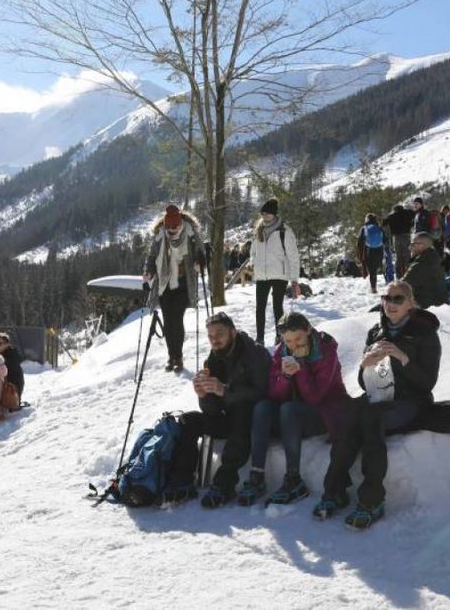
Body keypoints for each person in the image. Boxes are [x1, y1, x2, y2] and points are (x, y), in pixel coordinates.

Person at [313, 280, 441, 530]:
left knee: (372, 419)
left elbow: (427, 383)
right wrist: (365, 366)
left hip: (411, 401)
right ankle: (334, 491)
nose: (390, 304)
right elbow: (364, 384)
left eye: (398, 299)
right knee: (348, 415)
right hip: (379, 396)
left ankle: (372, 500)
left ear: (410, 304)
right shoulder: (376, 332)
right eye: (386, 298)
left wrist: (403, 359)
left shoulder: (425, 333)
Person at [237, 312, 348, 506]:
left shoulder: (325, 351)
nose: (293, 345)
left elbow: (315, 397)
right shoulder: (282, 352)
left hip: (324, 414)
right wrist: (285, 378)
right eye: (288, 340)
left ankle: (294, 479)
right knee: (263, 407)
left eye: (298, 338)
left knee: (289, 409)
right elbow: (274, 393)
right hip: (291, 417)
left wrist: (302, 368)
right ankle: (257, 475)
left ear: (309, 331)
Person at [162, 312, 270, 507]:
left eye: (219, 334)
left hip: (255, 421)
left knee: (242, 412)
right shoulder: (213, 358)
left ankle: (224, 483)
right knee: (188, 420)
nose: (215, 340)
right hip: (228, 419)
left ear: (233, 332)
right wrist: (203, 395)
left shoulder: (255, 353)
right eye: (210, 336)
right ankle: (182, 480)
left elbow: (262, 393)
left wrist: (225, 391)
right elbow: (211, 410)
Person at [143, 203, 206, 373]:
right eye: (169, 227)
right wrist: (148, 272)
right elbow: (151, 256)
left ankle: (178, 357)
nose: (172, 230)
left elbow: (201, 252)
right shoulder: (159, 235)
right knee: (168, 321)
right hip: (164, 284)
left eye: (175, 227)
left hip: (184, 282)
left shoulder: (191, 233)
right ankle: (171, 356)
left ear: (180, 222)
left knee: (176, 319)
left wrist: (199, 262)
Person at [250, 198, 302, 344]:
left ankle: (280, 337)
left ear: (274, 214)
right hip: (262, 275)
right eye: (263, 213)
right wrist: (254, 262)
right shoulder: (258, 230)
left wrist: (294, 280)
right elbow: (253, 251)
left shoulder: (284, 230)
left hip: (280, 274)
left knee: (277, 306)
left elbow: (293, 256)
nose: (265, 216)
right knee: (260, 307)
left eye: (267, 214)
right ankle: (259, 338)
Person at [401, 232, 447, 309]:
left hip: (426, 306)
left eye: (413, 244)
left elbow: (402, 286)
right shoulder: (434, 257)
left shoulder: (421, 263)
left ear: (421, 246)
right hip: (439, 302)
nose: (410, 247)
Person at [0, 331, 25, 401]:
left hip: (9, 397)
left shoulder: (9, 358)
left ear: (7, 344)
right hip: (10, 395)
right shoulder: (6, 356)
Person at [356, 213, 386, 294]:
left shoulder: (364, 228)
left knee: (372, 270)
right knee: (375, 269)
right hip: (379, 250)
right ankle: (385, 284)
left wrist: (359, 253)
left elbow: (359, 241)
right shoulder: (379, 227)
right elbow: (385, 239)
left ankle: (373, 288)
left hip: (369, 250)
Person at [383, 203, 415, 277]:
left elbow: (384, 223)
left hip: (396, 238)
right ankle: (410, 275)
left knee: (399, 257)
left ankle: (399, 275)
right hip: (406, 236)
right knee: (407, 256)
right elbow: (414, 213)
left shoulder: (391, 216)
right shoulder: (407, 213)